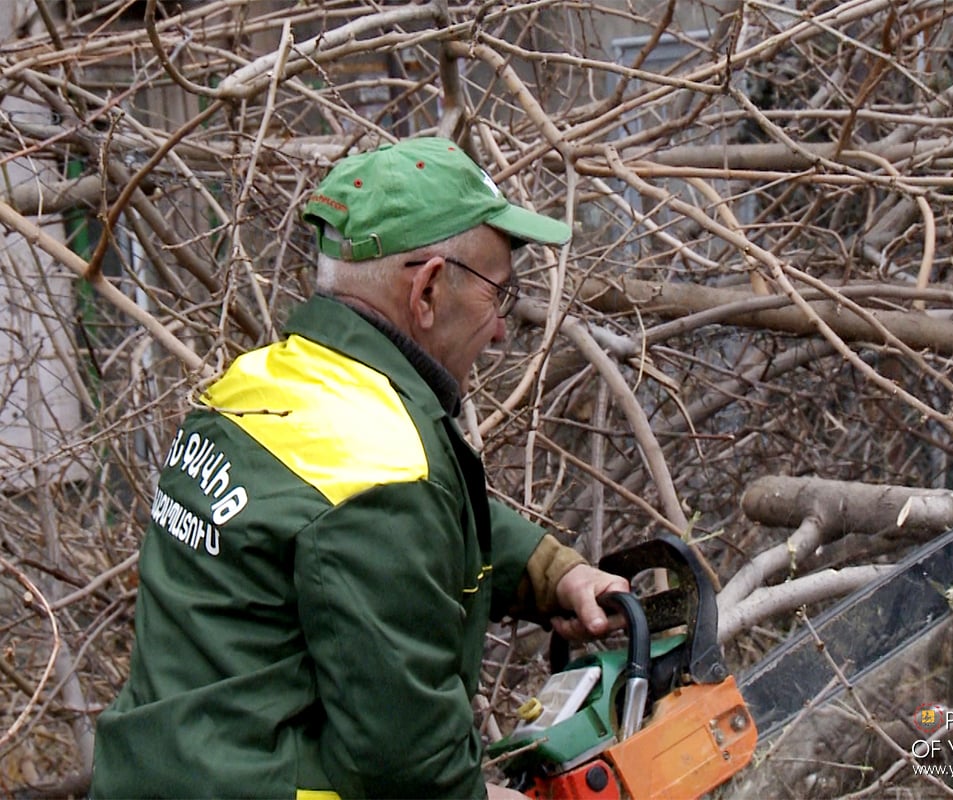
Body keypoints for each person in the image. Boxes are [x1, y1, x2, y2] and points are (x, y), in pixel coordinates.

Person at [91, 137, 630, 799]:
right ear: (428, 288)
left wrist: (555, 573)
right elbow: (403, 763)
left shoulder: (260, 388)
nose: (498, 331)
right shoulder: (384, 468)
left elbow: (396, 524)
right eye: (500, 294)